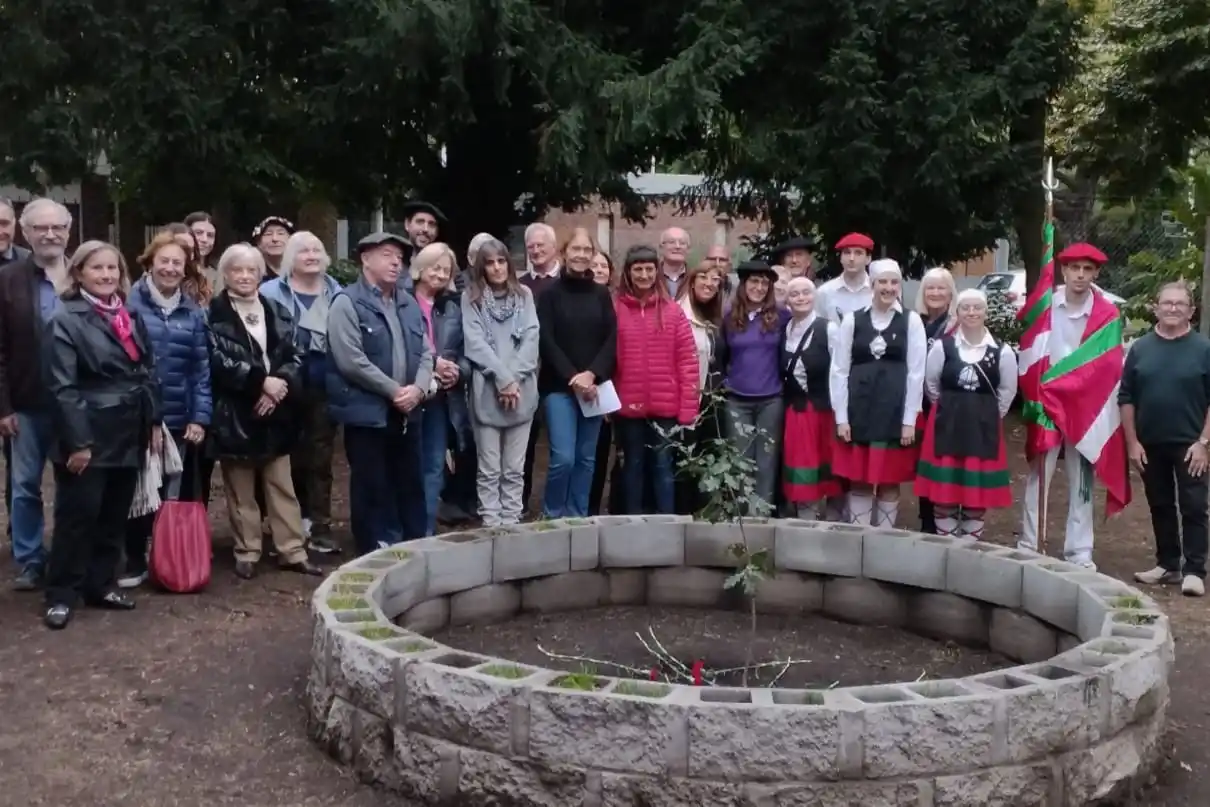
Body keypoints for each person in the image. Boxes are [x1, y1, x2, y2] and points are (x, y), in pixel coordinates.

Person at [42, 241, 161, 629]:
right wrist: (78, 443)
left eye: (113, 268)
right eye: (97, 269)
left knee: (114, 514)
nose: (107, 275)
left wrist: (153, 421)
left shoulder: (128, 315)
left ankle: (100, 583)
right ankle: (61, 593)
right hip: (89, 432)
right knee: (78, 516)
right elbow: (62, 387)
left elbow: (146, 370)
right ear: (79, 274)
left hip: (129, 430)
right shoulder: (66, 319)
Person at [208, 243, 320, 580]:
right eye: (237, 270)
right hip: (236, 413)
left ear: (261, 274)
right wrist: (259, 382)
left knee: (282, 485)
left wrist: (279, 385)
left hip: (277, 412)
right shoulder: (213, 313)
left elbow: (296, 353)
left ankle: (292, 550)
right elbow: (217, 360)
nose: (244, 276)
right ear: (225, 274)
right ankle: (248, 550)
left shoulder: (276, 310)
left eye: (251, 270)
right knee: (241, 489)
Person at [1019, 242, 1130, 570]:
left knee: (1082, 479)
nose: (1080, 275)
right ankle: (1030, 542)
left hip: (1083, 405)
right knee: (1040, 475)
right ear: (1064, 271)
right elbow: (1029, 343)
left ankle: (1079, 552)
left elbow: (1108, 364)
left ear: (1096, 273)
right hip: (1048, 402)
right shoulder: (1046, 306)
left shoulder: (1107, 314)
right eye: (1074, 269)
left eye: (1087, 269)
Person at [327, 232, 433, 553]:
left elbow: (426, 351)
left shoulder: (408, 302)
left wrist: (418, 389)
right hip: (367, 412)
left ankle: (415, 546)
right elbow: (351, 361)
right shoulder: (347, 302)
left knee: (410, 483)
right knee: (371, 485)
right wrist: (393, 390)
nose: (395, 262)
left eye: (399, 257)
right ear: (365, 259)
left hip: (408, 411)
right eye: (387, 255)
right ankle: (371, 550)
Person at [121, 232, 213, 588]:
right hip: (140, 418)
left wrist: (200, 417)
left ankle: (169, 557)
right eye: (165, 261)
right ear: (150, 263)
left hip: (180, 417)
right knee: (139, 491)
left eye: (178, 262)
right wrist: (148, 418)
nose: (171, 268)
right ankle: (132, 559)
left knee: (174, 494)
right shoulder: (129, 307)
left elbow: (201, 370)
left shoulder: (193, 312)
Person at [0, 198, 72, 590]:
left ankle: (66, 553)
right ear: (26, 233)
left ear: (68, 231)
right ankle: (30, 559)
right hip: (26, 404)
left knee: (74, 483)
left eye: (57, 227)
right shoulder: (7, 279)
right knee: (25, 485)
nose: (50, 234)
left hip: (75, 406)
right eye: (40, 228)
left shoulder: (83, 274)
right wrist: (3, 406)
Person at [1122, 282, 1210, 596]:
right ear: (1156, 307)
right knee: (1160, 504)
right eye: (1167, 303)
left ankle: (1195, 570)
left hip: (1191, 445)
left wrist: (1204, 442)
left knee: (1194, 506)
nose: (1173, 308)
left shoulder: (1203, 349)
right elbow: (1127, 397)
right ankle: (1168, 564)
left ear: (1191, 311)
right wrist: (1132, 442)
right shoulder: (1140, 349)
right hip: (1150, 443)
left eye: (1180, 304)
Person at [260, 231, 344, 554]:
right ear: (289, 258)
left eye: (316, 249)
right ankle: (288, 526)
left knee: (320, 458)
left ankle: (320, 526)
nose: (311, 255)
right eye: (303, 250)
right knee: (286, 457)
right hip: (284, 386)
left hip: (325, 385)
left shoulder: (338, 293)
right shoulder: (269, 292)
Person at [830, 258, 927, 526]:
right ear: (872, 285)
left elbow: (916, 372)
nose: (888, 287)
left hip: (894, 412)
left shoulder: (912, 321)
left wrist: (909, 420)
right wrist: (841, 417)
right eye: (882, 282)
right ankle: (859, 539)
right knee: (859, 480)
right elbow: (839, 370)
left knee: (889, 480)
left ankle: (885, 541)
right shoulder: (852, 321)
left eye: (894, 282)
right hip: (859, 411)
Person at [915, 289, 1017, 538]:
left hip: (982, 430)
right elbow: (931, 385)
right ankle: (947, 548)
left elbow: (1007, 391)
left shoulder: (1001, 351)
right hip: (946, 426)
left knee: (974, 496)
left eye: (977, 307)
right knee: (945, 495)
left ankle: (969, 552)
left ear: (985, 312)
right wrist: (951, 408)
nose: (971, 312)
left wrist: (987, 415)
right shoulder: (942, 347)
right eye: (965, 308)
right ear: (957, 312)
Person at [612, 245, 699, 514]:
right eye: (638, 269)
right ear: (628, 272)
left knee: (663, 466)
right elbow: (606, 357)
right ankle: (632, 525)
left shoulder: (672, 311)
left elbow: (688, 361)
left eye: (649, 269)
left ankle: (667, 524)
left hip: (665, 408)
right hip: (627, 406)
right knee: (633, 467)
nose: (644, 274)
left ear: (657, 272)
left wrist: (688, 409)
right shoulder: (615, 309)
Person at [537, 228, 616, 518]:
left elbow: (611, 339)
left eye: (587, 250)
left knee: (586, 459)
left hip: (594, 389)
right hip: (559, 388)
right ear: (564, 252)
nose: (582, 255)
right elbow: (547, 340)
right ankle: (552, 514)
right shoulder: (549, 295)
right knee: (564, 458)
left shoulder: (601, 293)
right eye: (576, 249)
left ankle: (577, 516)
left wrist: (592, 375)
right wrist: (574, 377)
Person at [461, 239, 540, 526]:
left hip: (522, 391)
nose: (496, 268)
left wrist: (513, 380)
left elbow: (532, 339)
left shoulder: (525, 296)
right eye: (490, 262)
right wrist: (503, 379)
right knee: (489, 468)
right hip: (487, 391)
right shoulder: (471, 298)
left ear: (509, 262)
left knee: (514, 468)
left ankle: (511, 523)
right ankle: (491, 525)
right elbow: (475, 343)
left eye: (501, 261)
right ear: (482, 267)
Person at [716, 259, 789, 511]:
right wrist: (727, 382)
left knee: (766, 462)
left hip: (770, 399)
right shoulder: (729, 317)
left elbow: (785, 356)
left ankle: (761, 520)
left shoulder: (781, 316)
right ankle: (740, 519)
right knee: (739, 461)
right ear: (744, 284)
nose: (759, 287)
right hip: (737, 399)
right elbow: (722, 355)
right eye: (754, 281)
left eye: (764, 283)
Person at [409, 243, 470, 535]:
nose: (440, 274)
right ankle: (405, 527)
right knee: (409, 465)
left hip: (442, 399)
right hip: (409, 393)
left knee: (434, 465)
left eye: (446, 270)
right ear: (421, 268)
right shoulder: (402, 302)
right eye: (435, 267)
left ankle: (425, 531)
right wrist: (433, 363)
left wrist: (458, 371)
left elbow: (467, 353)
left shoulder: (453, 307)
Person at [780, 277, 841, 519]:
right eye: (794, 294)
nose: (801, 298)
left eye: (806, 292)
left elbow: (841, 371)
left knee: (830, 475)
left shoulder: (829, 329)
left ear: (814, 296)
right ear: (787, 299)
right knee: (803, 476)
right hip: (796, 414)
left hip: (824, 413)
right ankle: (807, 526)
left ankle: (836, 526)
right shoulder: (786, 329)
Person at [673, 262, 724, 514]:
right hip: (684, 399)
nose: (709, 283)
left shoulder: (712, 316)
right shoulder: (679, 313)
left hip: (707, 400)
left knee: (703, 461)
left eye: (715, 279)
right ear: (691, 281)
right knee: (685, 463)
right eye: (703, 276)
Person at [913, 267, 958, 533]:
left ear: (951, 292)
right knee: (924, 464)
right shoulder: (916, 322)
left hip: (946, 405)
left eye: (941, 287)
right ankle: (927, 520)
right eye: (930, 287)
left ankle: (946, 522)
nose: (936, 293)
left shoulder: (957, 324)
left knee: (943, 464)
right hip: (920, 405)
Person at [817, 232, 874, 322]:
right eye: (847, 253)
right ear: (841, 258)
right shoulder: (825, 292)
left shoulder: (876, 291)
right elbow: (818, 328)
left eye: (858, 253)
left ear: (868, 259)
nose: (851, 258)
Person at [252, 216, 294, 280]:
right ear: (258, 242)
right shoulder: (252, 272)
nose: (275, 239)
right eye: (268, 234)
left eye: (281, 233)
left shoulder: (300, 270)